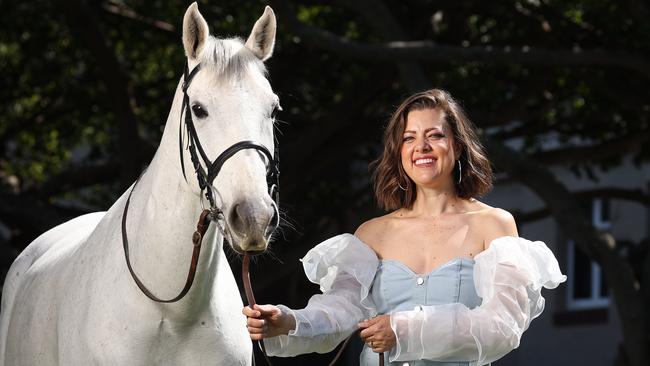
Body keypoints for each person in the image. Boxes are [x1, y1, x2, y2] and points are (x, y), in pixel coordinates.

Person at [243, 89, 567, 365]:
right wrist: (288, 322)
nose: (421, 147)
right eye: (409, 138)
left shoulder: (493, 225)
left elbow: (502, 327)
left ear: (457, 146)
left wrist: (404, 329)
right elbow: (338, 312)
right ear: (399, 153)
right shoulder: (372, 234)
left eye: (435, 135)